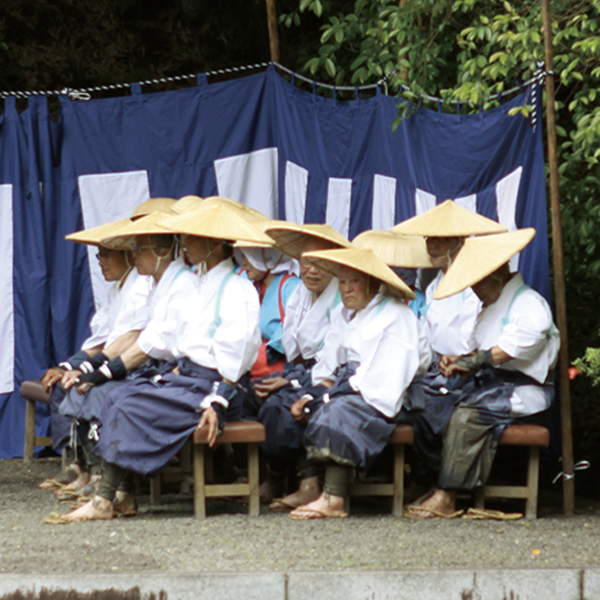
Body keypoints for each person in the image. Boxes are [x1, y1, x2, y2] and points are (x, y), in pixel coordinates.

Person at [45, 202, 269, 523]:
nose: (185, 244)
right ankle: (121, 494)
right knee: (119, 397)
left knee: (127, 404)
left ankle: (104, 499)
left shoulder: (238, 288)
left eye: (191, 238)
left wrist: (217, 403)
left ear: (215, 242)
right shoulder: (203, 282)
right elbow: (169, 340)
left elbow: (237, 355)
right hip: (188, 378)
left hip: (213, 388)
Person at [406, 229, 560, 518]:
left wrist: (475, 361)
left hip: (525, 392)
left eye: (477, 282)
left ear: (497, 274)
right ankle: (433, 480)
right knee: (430, 406)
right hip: (489, 386)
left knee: (467, 414)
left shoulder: (529, 303)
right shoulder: (488, 308)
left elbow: (515, 347)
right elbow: (481, 354)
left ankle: (448, 495)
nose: (474, 289)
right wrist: (459, 362)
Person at [283, 247, 431, 519]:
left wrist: (330, 397)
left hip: (392, 394)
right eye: (342, 281)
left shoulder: (397, 316)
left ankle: (334, 498)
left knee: (339, 411)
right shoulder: (344, 314)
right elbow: (329, 363)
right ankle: (309, 485)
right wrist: (314, 394)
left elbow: (385, 379)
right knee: (296, 404)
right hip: (350, 387)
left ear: (374, 283)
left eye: (355, 282)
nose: (346, 289)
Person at [391, 200, 508, 490]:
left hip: (469, 372)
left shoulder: (475, 284)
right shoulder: (434, 285)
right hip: (436, 369)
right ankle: (425, 479)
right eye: (429, 238)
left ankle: (443, 486)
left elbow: (477, 337)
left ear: (460, 241)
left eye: (440, 239)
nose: (431, 245)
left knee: (431, 410)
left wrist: (460, 361)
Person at [38, 217, 153, 492]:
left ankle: (99, 473)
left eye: (105, 254)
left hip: (134, 366)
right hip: (111, 359)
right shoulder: (117, 289)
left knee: (85, 390)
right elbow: (100, 340)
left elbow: (129, 340)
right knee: (61, 383)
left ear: (127, 255)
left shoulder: (141, 286)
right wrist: (67, 366)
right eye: (98, 255)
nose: (100, 261)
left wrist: (89, 371)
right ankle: (77, 466)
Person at [251, 223, 350, 506]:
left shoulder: (341, 299)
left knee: (285, 406)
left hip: (331, 375)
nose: (312, 270)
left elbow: (332, 358)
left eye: (321, 264)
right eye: (306, 262)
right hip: (300, 372)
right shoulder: (299, 294)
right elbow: (292, 347)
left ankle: (308, 483)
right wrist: (291, 378)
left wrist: (296, 383)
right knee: (259, 396)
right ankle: (278, 473)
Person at [234, 244, 301, 388]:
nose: (244, 263)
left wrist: (252, 355)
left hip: (278, 372)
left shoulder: (291, 286)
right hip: (250, 367)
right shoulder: (254, 286)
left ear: (264, 257)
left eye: (249, 257)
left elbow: (288, 335)